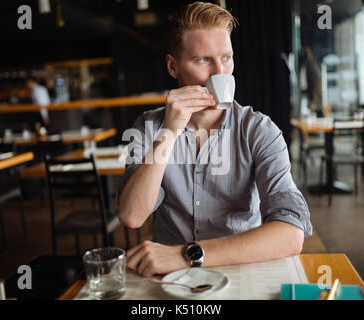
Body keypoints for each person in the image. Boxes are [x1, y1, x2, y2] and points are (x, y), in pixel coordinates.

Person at [118, 2, 312, 278]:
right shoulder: (149, 127)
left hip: (241, 272)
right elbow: (132, 215)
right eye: (203, 60)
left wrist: (186, 254)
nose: (220, 73)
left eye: (226, 58)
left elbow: (292, 235)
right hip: (172, 281)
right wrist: (170, 131)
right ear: (173, 67)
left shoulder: (259, 131)